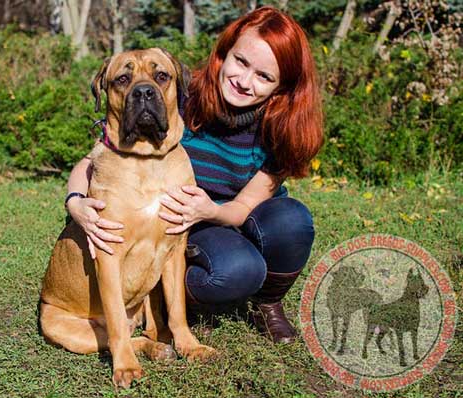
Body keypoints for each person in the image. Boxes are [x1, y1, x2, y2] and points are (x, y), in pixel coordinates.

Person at [64, 6, 323, 344]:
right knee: (239, 270)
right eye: (241, 62)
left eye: (264, 77)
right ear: (224, 53)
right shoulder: (177, 95)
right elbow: (93, 160)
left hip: (231, 213)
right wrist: (75, 202)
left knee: (293, 220)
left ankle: (267, 304)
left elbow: (243, 206)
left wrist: (210, 210)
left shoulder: (283, 125)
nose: (245, 81)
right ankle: (180, 299)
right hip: (183, 224)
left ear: (281, 86)